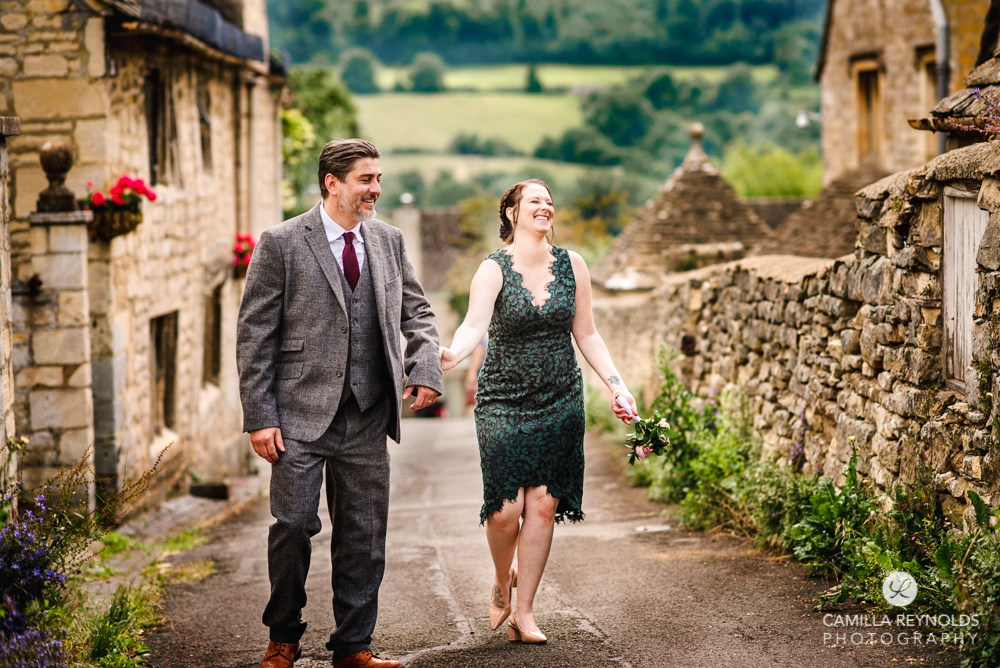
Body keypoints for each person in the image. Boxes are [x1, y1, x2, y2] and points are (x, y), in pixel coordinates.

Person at [237, 139, 443, 668]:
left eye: (378, 178)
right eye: (365, 179)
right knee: (292, 528)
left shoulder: (390, 240)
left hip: (369, 413)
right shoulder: (281, 242)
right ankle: (283, 634)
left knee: (363, 535)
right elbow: (255, 334)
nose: (376, 189)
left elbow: (417, 313)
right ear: (332, 182)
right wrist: (260, 418)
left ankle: (353, 646)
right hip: (298, 415)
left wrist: (423, 369)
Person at [440, 179, 637, 644]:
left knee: (544, 505)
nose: (545, 207)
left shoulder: (573, 265)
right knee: (507, 510)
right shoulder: (492, 269)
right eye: (535, 201)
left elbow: (587, 334)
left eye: (550, 201)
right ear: (511, 212)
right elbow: (473, 326)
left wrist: (616, 385)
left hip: (560, 397)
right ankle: (500, 577)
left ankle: (524, 613)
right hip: (503, 398)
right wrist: (452, 354)